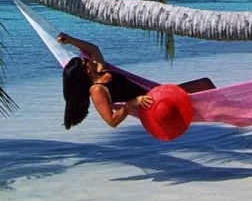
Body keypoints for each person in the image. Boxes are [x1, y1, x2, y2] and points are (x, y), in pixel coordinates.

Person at [57, 32, 215, 130]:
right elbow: (111, 121)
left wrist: (70, 40)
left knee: (205, 86)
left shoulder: (100, 69)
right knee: (204, 88)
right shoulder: (96, 90)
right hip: (154, 103)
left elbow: (93, 49)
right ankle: (234, 113)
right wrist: (131, 104)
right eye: (84, 62)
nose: (86, 59)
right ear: (85, 71)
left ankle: (233, 113)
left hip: (157, 93)